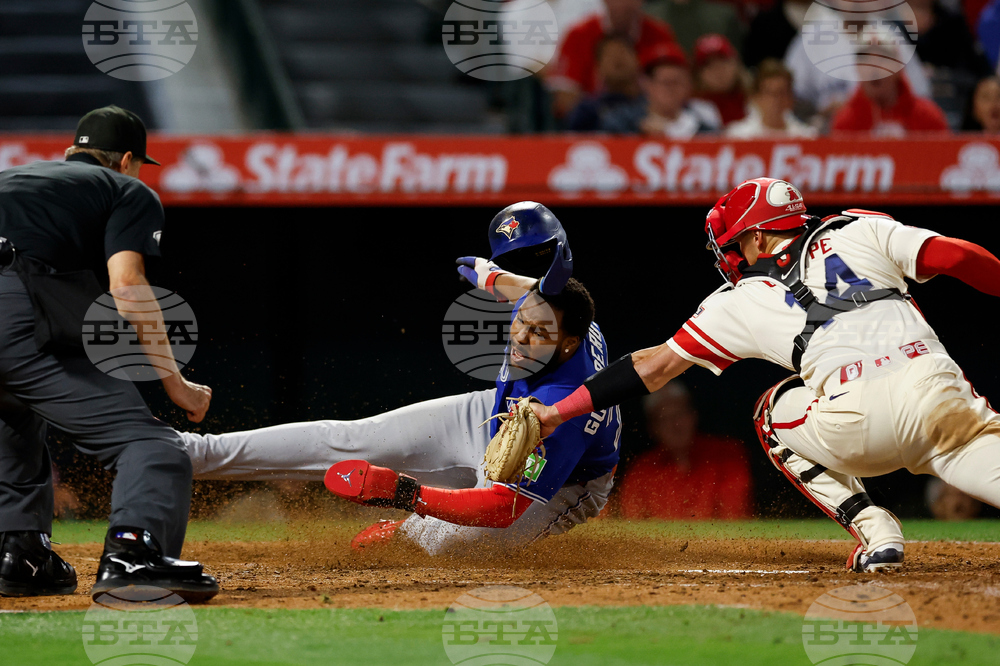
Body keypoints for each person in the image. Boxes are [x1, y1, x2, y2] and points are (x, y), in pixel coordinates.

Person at [530, 176, 1000, 572]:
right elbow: (957, 258)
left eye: (735, 243)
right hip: (940, 399)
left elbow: (652, 368)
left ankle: (877, 535)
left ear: (757, 238)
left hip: (856, 424)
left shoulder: (739, 298)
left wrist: (557, 412)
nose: (732, 255)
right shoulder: (860, 227)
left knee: (773, 413)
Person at [181, 203, 622, 556]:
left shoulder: (565, 403)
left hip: (560, 479)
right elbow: (533, 290)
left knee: (431, 549)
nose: (522, 335)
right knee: (353, 438)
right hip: (495, 413)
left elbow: (502, 509)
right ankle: (192, 453)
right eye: (521, 318)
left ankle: (411, 532)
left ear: (567, 344)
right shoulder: (554, 306)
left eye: (538, 331)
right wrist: (493, 278)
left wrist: (403, 492)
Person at [0, 106, 217, 601]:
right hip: (13, 306)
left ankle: (20, 554)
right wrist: (174, 382)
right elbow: (128, 287)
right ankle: (133, 555)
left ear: (68, 153)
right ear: (125, 160)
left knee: (13, 414)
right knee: (152, 446)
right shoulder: (126, 189)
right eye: (140, 164)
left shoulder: (11, 177)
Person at [617, 381, 752, 520]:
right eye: (664, 418)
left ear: (694, 415)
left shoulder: (727, 455)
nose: (675, 425)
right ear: (652, 428)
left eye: (680, 414)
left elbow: (734, 518)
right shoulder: (641, 470)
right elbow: (632, 524)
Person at [546, 0, 677, 120]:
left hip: (650, 118)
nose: (622, 4)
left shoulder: (660, 34)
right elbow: (563, 99)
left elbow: (676, 86)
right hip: (593, 123)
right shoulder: (578, 35)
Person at [603, 42, 721, 137]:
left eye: (677, 82)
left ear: (688, 86)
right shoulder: (622, 121)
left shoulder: (701, 128)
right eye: (665, 83)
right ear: (647, 84)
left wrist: (670, 134)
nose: (671, 89)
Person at [831, 65, 950, 135]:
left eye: (882, 61)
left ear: (898, 70)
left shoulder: (927, 115)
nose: (874, 71)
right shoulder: (845, 120)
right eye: (866, 62)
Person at [567, 36, 644, 131]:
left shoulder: (653, 105)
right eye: (610, 54)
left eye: (622, 51)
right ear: (598, 68)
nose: (617, 59)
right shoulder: (587, 111)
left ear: (637, 59)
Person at [727, 58, 817, 137]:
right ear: (755, 97)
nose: (776, 100)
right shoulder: (738, 136)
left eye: (781, 93)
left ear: (791, 97)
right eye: (770, 93)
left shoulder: (806, 137)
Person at [643, 0, 744, 58]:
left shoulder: (723, 15)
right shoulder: (648, 16)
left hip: (712, 90)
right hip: (661, 87)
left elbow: (736, 64)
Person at [692, 34, 748, 127]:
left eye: (723, 61)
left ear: (736, 64)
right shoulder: (690, 112)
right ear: (698, 74)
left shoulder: (758, 101)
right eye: (709, 65)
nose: (718, 71)